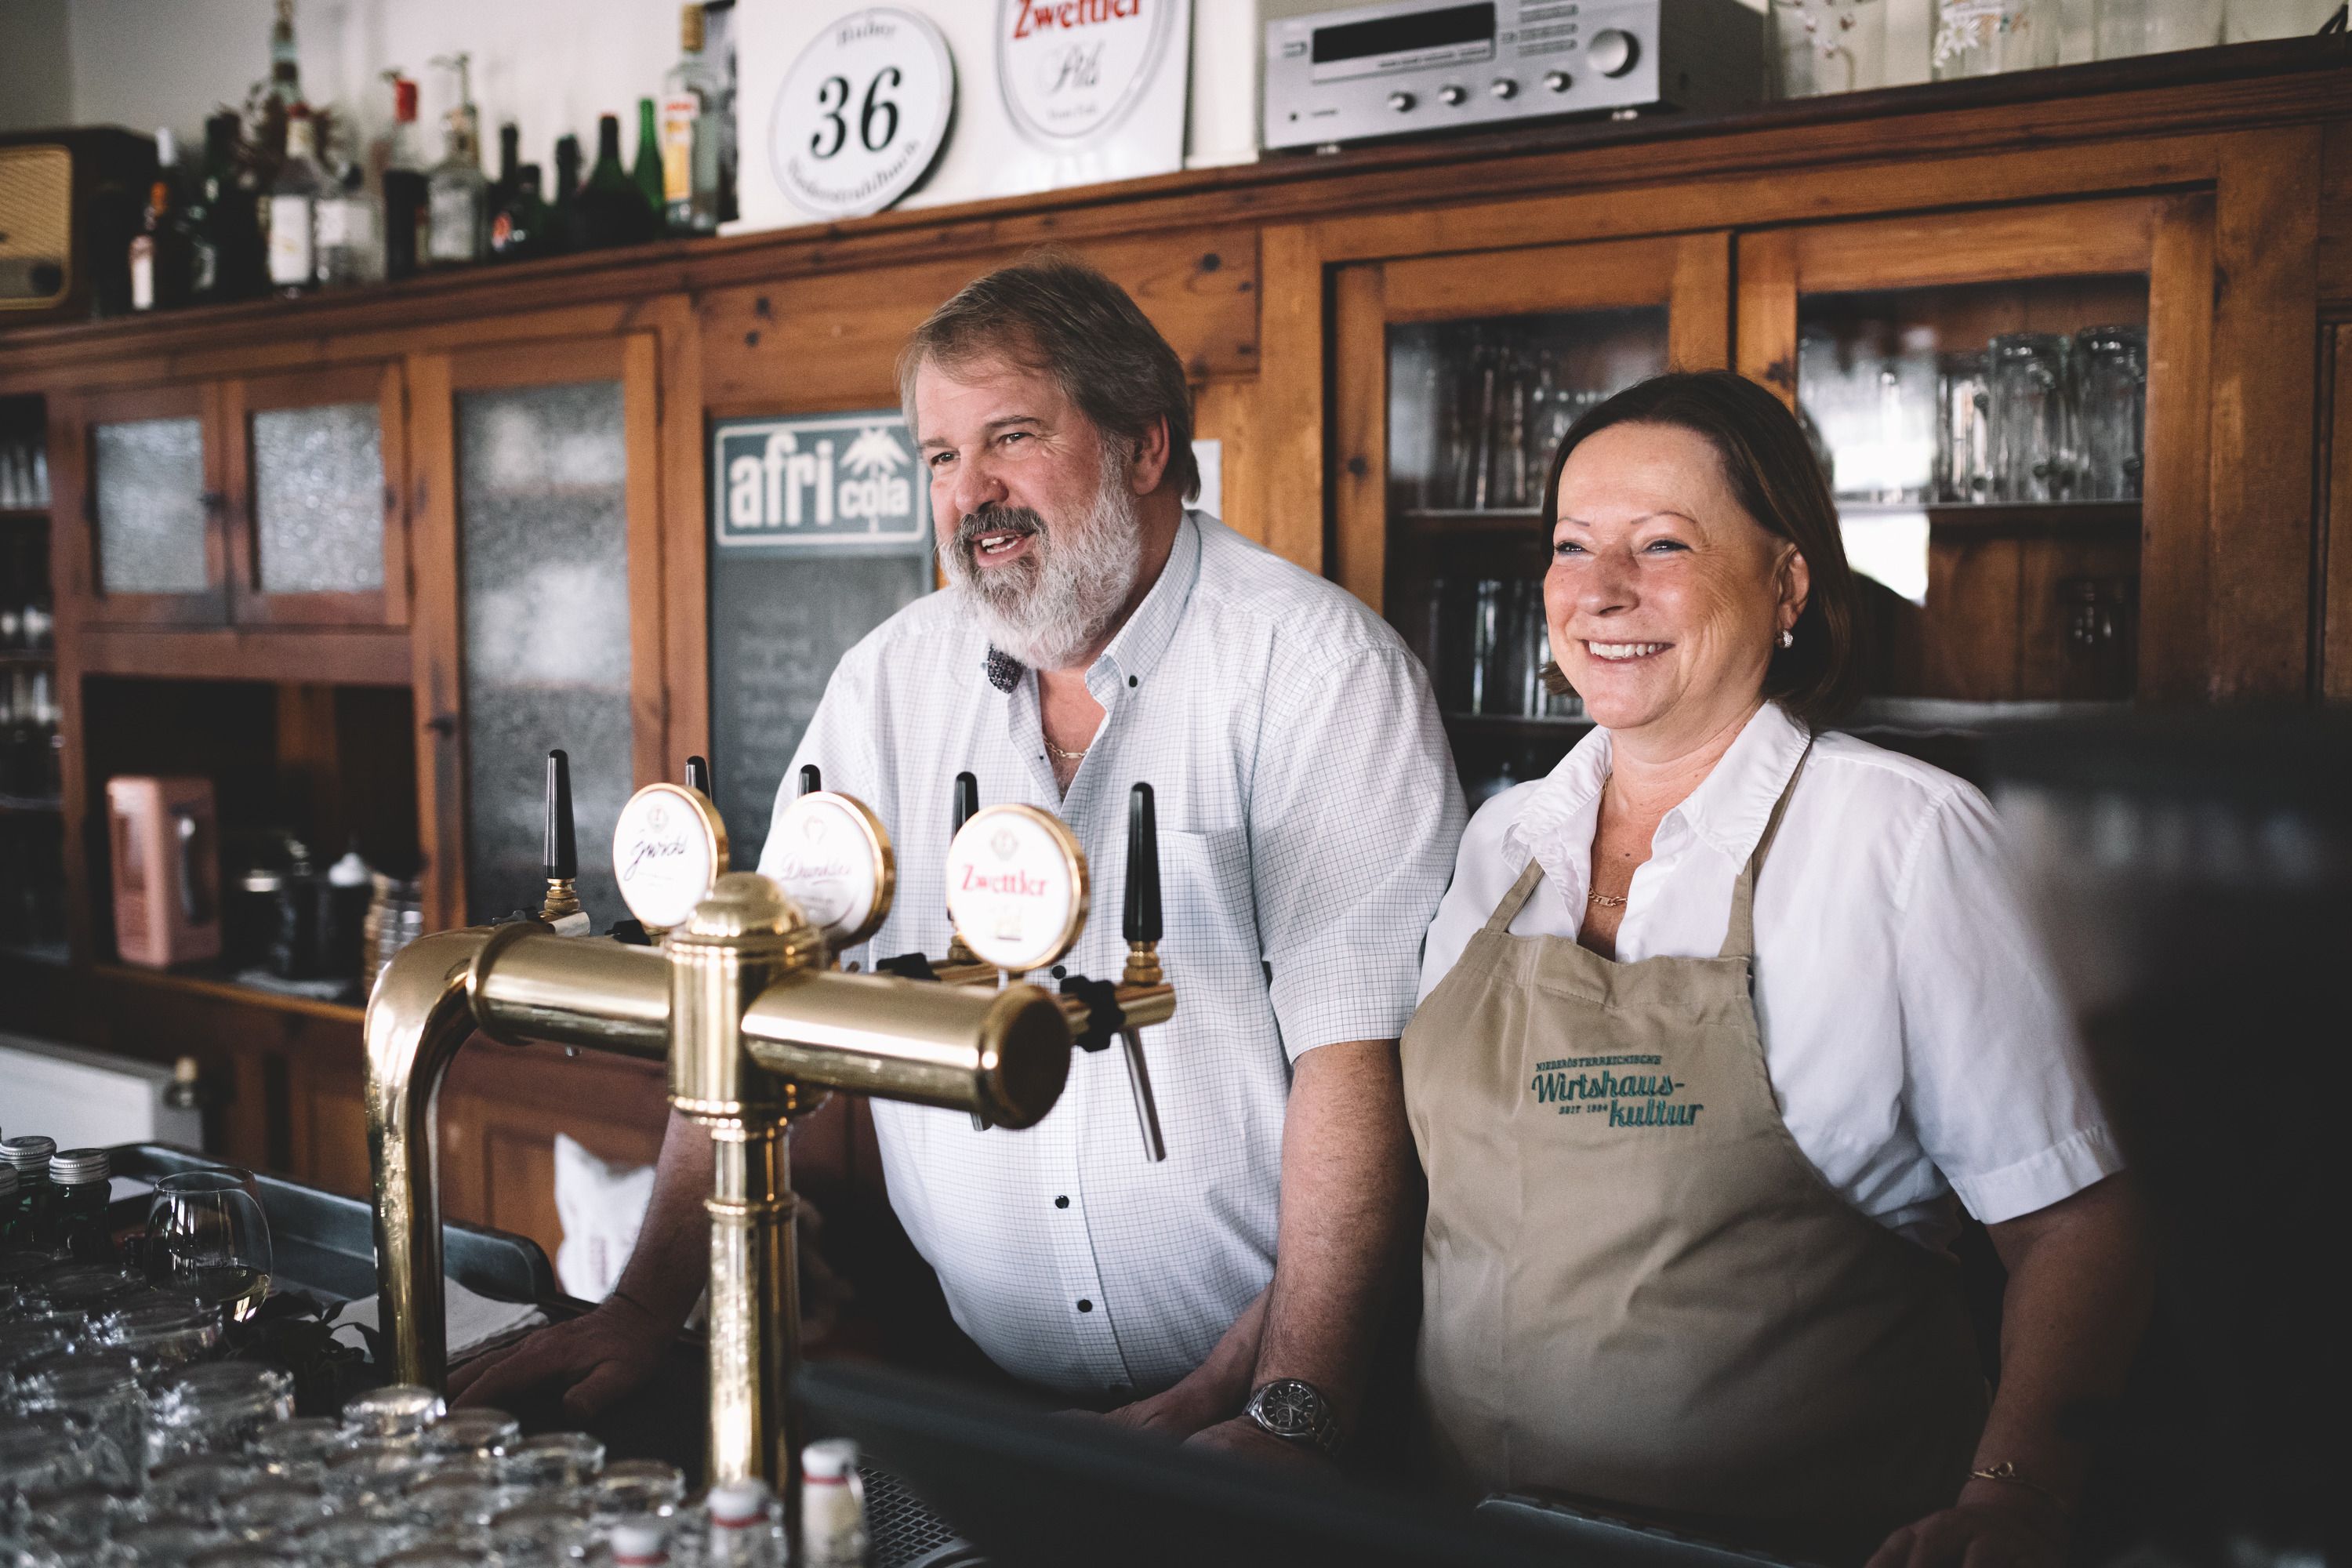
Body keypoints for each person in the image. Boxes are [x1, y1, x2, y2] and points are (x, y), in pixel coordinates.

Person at [453, 252, 1465, 1464]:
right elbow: (751, 1002)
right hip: (980, 1387)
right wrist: (640, 1307)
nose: (969, 492)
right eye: (939, 456)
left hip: (1267, 1399)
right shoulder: (886, 686)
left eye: (1012, 438)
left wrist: (1296, 1405)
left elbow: (1361, 1072)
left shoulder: (1318, 675)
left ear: (1145, 447)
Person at [1403, 371, 2152, 1566]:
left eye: (1663, 546)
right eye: (1572, 546)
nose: (1602, 592)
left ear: (1789, 582)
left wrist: (2017, 1501)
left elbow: (2077, 1232)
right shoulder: (1505, 841)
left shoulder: (1903, 839)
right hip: (1458, 1531)